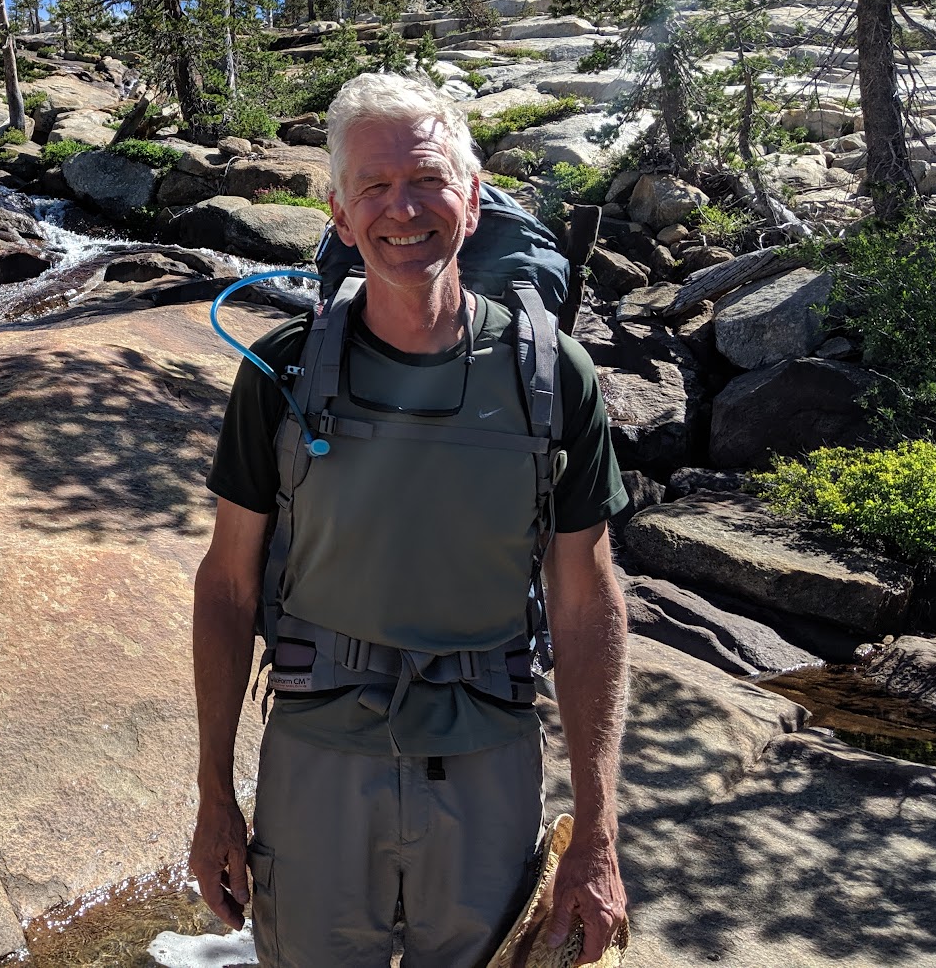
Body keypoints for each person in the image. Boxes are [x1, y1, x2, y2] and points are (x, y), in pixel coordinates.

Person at [189, 72, 631, 968]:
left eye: (427, 179)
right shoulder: (278, 373)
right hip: (314, 761)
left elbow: (588, 602)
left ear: (470, 198)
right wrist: (211, 796)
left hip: (489, 765)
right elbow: (228, 584)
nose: (403, 208)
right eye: (374, 188)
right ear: (340, 215)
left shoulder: (554, 376)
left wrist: (596, 829)